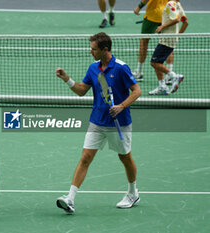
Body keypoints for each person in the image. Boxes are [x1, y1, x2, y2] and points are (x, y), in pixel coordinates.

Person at [55, 32, 142, 213]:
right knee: (85, 157)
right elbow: (81, 90)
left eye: (94, 49)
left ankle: (133, 193)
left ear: (105, 49)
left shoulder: (121, 68)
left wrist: (121, 106)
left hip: (120, 122)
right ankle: (70, 198)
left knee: (125, 158)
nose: (90, 52)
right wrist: (67, 79)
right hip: (97, 121)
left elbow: (136, 91)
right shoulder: (93, 68)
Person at [149, 0, 188, 95]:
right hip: (171, 39)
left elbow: (176, 20)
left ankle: (174, 76)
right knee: (158, 62)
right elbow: (185, 22)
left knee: (154, 63)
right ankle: (162, 86)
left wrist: (162, 27)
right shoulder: (178, 4)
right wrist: (178, 35)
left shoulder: (170, 4)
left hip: (166, 39)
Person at [133, 0, 173, 82]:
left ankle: (139, 72)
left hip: (152, 16)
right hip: (166, 15)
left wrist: (139, 7)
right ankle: (169, 75)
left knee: (144, 42)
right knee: (168, 44)